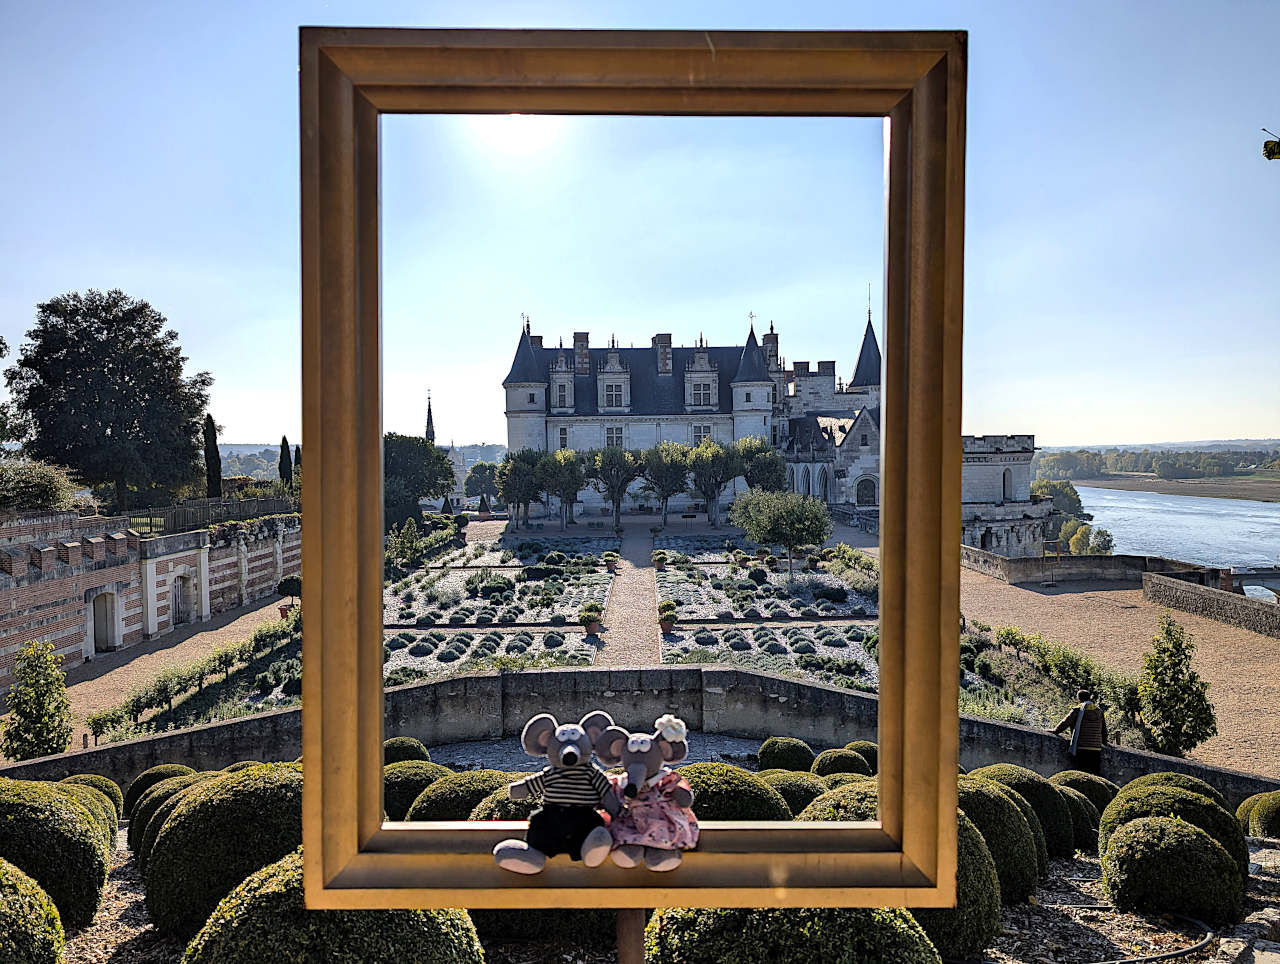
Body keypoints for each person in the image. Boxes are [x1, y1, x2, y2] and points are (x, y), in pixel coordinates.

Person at [1053, 689, 1107, 775]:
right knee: (1095, 774)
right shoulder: (1099, 711)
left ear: (1078, 699)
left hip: (1082, 746)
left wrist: (1055, 731)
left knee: (1081, 773)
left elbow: (1065, 723)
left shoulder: (1078, 710)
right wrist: (1104, 743)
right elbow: (1103, 729)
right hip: (1096, 747)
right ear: (1089, 698)